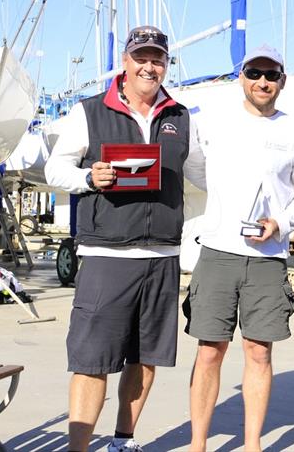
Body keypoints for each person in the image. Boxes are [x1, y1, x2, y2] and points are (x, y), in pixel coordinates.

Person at [45, 25, 206, 452]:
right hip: (107, 254)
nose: (149, 66)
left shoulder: (180, 117)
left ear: (166, 65)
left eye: (157, 59)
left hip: (164, 255)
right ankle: (79, 448)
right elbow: (53, 169)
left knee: (146, 358)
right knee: (91, 361)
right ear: (125, 61)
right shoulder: (90, 111)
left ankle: (123, 440)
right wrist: (86, 177)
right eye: (142, 57)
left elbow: (204, 175)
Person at [184, 44, 294, 452]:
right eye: (254, 73)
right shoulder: (215, 122)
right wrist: (225, 200)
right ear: (241, 76)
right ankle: (198, 443)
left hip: (269, 258)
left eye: (271, 75)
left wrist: (280, 222)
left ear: (282, 82)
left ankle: (253, 443)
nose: (262, 81)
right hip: (218, 252)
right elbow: (193, 166)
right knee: (210, 351)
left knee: (258, 352)